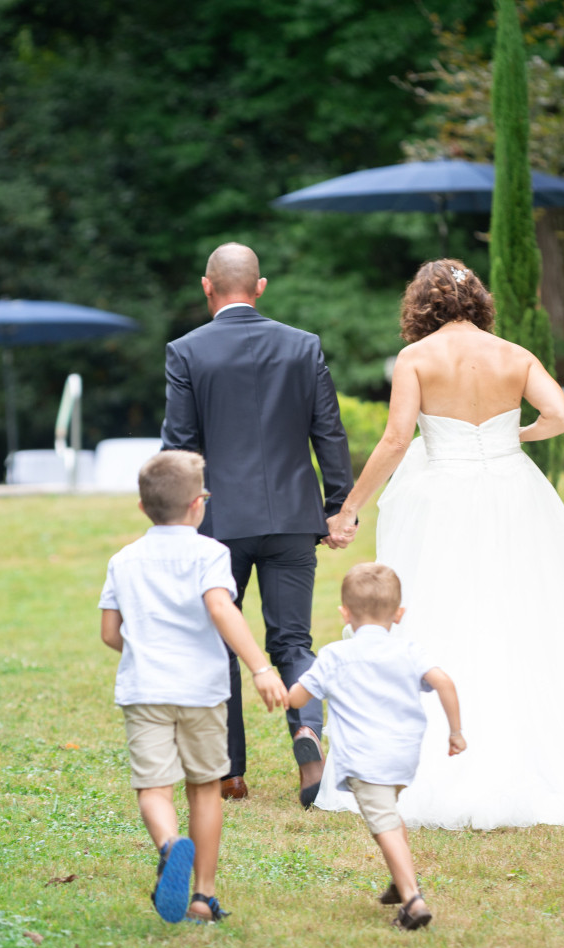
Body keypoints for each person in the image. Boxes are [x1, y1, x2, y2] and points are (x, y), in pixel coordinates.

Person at [316, 259, 564, 830]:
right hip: (513, 491)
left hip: (440, 496)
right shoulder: (516, 355)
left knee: (441, 604)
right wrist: (514, 435)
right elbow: (562, 415)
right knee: (532, 604)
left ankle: (433, 748)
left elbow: (399, 437)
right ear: (478, 303)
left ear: (421, 305)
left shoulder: (416, 359)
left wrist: (349, 508)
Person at [161, 242, 355, 807]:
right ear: (261, 286)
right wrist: (336, 505)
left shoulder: (185, 352)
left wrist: (179, 521)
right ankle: (307, 735)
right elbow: (329, 432)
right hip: (295, 516)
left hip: (218, 522)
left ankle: (230, 773)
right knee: (293, 638)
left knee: (221, 640)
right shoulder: (304, 345)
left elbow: (179, 446)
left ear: (207, 286)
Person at [99, 450, 288, 923]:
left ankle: (169, 843)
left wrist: (147, 653)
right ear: (199, 504)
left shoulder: (123, 559)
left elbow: (108, 632)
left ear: (143, 507)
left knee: (153, 788)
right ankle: (203, 897)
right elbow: (221, 608)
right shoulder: (211, 553)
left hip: (145, 690)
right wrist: (260, 667)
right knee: (205, 788)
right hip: (203, 690)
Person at [285, 563, 465, 930]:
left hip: (365, 757)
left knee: (382, 822)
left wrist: (285, 691)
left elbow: (298, 696)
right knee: (390, 814)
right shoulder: (409, 651)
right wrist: (455, 732)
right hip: (402, 755)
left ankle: (413, 900)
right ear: (398, 615)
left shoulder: (335, 655)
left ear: (345, 613)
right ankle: (401, 883)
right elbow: (443, 682)